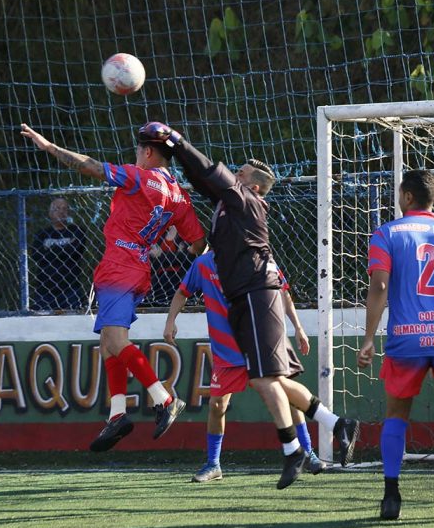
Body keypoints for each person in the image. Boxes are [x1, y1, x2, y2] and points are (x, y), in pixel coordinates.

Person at [139, 121, 359, 489]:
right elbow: (204, 178)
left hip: (258, 293)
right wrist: (175, 154)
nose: (232, 174)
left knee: (263, 378)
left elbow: (210, 171)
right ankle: (338, 424)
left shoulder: (247, 201)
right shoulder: (230, 205)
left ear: (252, 186)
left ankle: (292, 450)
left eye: (238, 174)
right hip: (247, 295)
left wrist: (177, 140)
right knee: (274, 381)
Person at [20, 122, 206, 450]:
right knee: (108, 341)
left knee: (116, 340)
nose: (135, 155)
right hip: (135, 267)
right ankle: (118, 413)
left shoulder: (138, 176)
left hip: (120, 266)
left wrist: (49, 147)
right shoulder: (178, 195)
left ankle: (163, 399)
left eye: (138, 151)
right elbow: (198, 242)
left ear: (147, 152)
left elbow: (89, 166)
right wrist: (178, 248)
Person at [356, 170, 434, 520]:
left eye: (399, 193)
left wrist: (369, 338)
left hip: (406, 337)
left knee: (397, 415)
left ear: (408, 197)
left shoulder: (385, 234)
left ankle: (392, 495)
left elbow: (380, 288)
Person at [164, 250, 325, 482]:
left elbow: (281, 291)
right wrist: (170, 321)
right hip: (226, 352)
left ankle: (309, 453)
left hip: (258, 343)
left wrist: (298, 327)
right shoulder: (202, 265)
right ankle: (213, 464)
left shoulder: (256, 255)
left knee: (287, 397)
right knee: (217, 405)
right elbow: (182, 293)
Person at [30, 197, 86, 311]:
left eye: (64, 209)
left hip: (70, 287)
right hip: (44, 289)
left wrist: (49, 250)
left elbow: (74, 251)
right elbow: (36, 254)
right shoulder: (42, 234)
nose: (61, 212)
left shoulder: (76, 231)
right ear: (50, 213)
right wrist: (64, 249)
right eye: (57, 209)